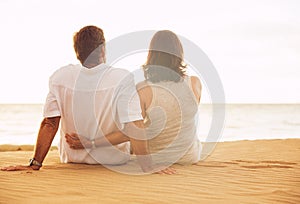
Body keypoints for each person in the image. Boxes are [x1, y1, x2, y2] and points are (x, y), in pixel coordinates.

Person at [1, 26, 174, 174]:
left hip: (72, 161)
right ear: (103, 49)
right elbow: (134, 123)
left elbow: (50, 123)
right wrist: (147, 165)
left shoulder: (60, 77)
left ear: (77, 52)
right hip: (113, 162)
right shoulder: (122, 77)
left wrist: (35, 164)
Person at [66, 30, 202, 165]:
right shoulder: (194, 83)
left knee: (133, 132)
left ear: (151, 55)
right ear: (179, 54)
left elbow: (130, 132)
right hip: (189, 157)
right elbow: (184, 120)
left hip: (158, 158)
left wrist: (91, 143)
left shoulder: (143, 89)